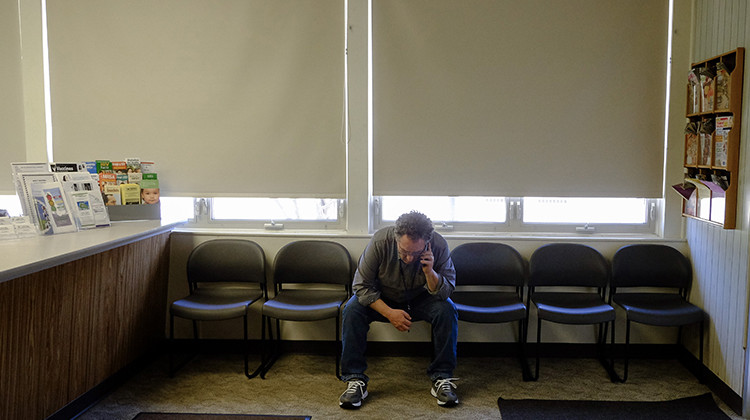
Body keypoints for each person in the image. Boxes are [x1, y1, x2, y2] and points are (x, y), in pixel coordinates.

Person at [339, 211, 459, 409]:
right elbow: (361, 286)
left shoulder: (439, 244)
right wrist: (389, 313)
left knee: (447, 309)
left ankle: (442, 378)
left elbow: (445, 292)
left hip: (422, 299)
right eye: (404, 251)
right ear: (396, 239)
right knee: (352, 309)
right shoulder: (380, 242)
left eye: (416, 253)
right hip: (383, 298)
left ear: (427, 244)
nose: (410, 258)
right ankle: (355, 379)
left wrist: (430, 272)